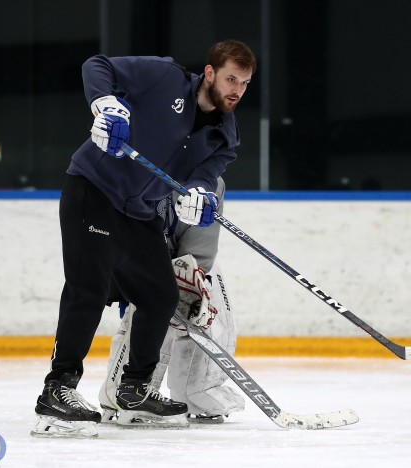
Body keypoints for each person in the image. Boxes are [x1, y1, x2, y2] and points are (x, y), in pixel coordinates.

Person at [31, 40, 257, 438]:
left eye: (245, 82)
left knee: (160, 295)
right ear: (209, 73)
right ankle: (58, 389)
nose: (237, 89)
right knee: (89, 289)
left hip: (139, 212)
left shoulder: (225, 134)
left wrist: (200, 194)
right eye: (231, 79)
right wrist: (105, 103)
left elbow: (206, 175)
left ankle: (133, 389)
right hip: (94, 190)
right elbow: (97, 65)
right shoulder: (164, 77)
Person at [98, 177, 245, 428]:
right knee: (147, 311)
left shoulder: (210, 180)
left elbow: (202, 241)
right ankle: (123, 394)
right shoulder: (128, 171)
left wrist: (193, 279)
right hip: (132, 256)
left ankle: (196, 393)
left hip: (186, 261)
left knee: (211, 313)